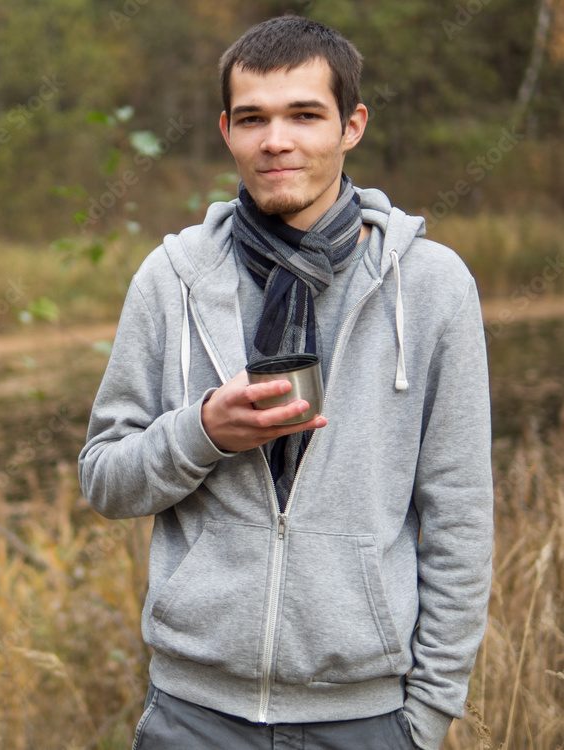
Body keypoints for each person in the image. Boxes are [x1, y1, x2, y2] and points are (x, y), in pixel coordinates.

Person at [78, 15, 493, 750]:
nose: (277, 140)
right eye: (253, 119)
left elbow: (459, 516)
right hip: (191, 716)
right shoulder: (171, 279)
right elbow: (106, 480)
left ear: (352, 124)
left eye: (305, 114)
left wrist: (425, 717)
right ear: (226, 131)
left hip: (365, 720)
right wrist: (202, 432)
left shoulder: (432, 287)